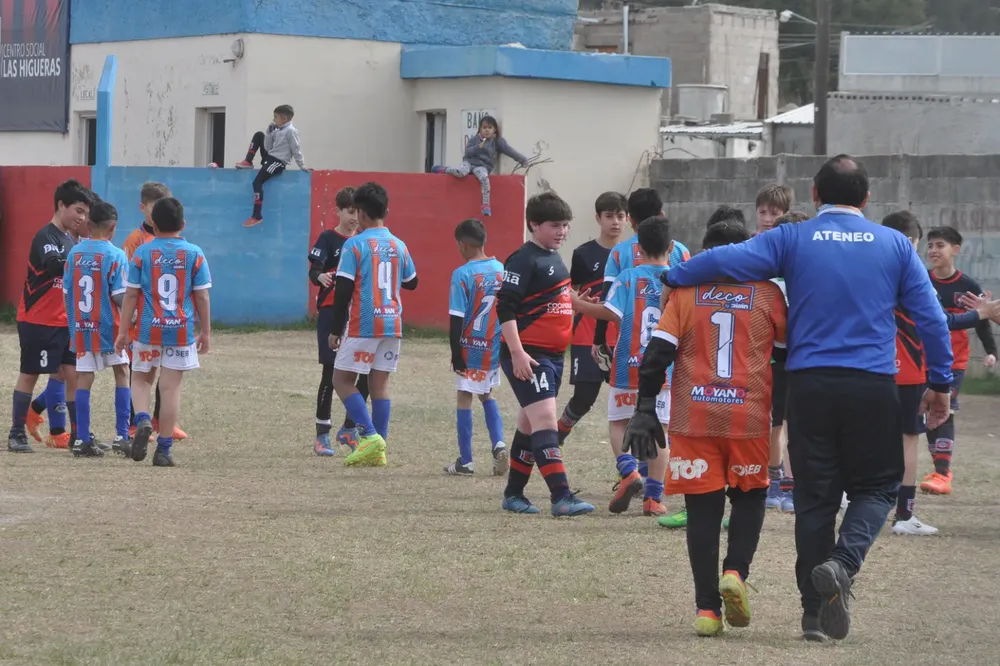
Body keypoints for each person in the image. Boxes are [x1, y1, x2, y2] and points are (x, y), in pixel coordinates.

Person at [654, 155, 953, 642]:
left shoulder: (794, 238)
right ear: (867, 198)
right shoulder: (897, 245)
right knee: (878, 489)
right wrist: (939, 384)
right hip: (873, 385)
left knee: (815, 499)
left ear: (814, 195)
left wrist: (676, 276)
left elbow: (728, 258)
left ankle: (814, 614)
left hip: (810, 386)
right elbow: (933, 320)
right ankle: (844, 562)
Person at [624, 219, 787, 636]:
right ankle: (734, 571)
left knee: (702, 512)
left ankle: (707, 611)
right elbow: (787, 360)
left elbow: (657, 352)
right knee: (751, 499)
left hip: (693, 418)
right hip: (748, 417)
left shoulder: (685, 293)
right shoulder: (769, 294)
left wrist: (645, 407)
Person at [881, 212, 1000, 535]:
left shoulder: (868, 270)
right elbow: (938, 322)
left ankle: (862, 500)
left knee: (871, 437)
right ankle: (903, 515)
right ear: (909, 242)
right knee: (907, 438)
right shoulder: (912, 273)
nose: (928, 252)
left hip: (869, 369)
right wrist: (981, 313)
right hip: (905, 370)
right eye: (923, 244)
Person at [498, 192, 594, 517]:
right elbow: (505, 308)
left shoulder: (553, 257)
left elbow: (554, 298)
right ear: (534, 225)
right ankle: (561, 497)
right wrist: (517, 353)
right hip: (530, 354)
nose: (562, 231)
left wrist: (577, 301)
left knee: (529, 424)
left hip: (552, 355)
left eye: (566, 225)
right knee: (544, 421)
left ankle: (513, 494)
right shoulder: (524, 259)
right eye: (555, 225)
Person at [574, 217, 674, 517]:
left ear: (638, 248)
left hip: (628, 365)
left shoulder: (629, 277)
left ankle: (628, 470)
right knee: (662, 431)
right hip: (663, 370)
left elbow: (610, 312)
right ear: (671, 247)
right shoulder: (678, 279)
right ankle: (654, 498)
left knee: (619, 422)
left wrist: (577, 304)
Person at [115, 197, 212, 467]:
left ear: (153, 223)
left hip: (148, 330)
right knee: (170, 388)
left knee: (142, 380)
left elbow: (131, 295)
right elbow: (202, 297)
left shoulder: (142, 253)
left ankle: (143, 418)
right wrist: (206, 332)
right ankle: (164, 450)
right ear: (183, 224)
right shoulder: (195, 253)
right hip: (180, 331)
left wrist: (123, 331)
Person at [327, 182, 418, 468]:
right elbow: (412, 282)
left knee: (341, 380)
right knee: (379, 385)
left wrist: (334, 329)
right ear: (386, 211)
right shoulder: (399, 245)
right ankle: (380, 448)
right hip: (393, 322)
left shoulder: (355, 244)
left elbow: (342, 291)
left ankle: (369, 437)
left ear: (362, 213)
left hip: (364, 322)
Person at [8, 179, 95, 453]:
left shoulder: (73, 240)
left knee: (74, 376)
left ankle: (79, 437)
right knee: (30, 374)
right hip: (39, 321)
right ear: (61, 205)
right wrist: (88, 258)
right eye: (78, 210)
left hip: (64, 321)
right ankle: (16, 434)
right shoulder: (46, 236)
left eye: (85, 214)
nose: (81, 218)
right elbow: (55, 266)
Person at [922, 226, 998, 495]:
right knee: (926, 413)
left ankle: (942, 473)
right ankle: (937, 469)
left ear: (955, 249)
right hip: (921, 359)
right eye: (930, 245)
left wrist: (991, 352)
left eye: (939, 245)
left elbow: (982, 320)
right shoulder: (920, 281)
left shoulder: (967, 287)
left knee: (943, 409)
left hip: (953, 361)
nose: (933, 250)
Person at [118, 182, 189, 441]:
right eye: (153, 207)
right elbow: (127, 285)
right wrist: (131, 319)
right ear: (142, 208)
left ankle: (161, 421)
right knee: (140, 372)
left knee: (167, 372)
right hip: (144, 321)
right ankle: (135, 423)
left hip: (169, 319)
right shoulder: (135, 242)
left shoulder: (178, 243)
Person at [63, 201, 132, 458]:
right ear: (113, 227)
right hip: (110, 327)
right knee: (122, 372)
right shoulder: (116, 255)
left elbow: (67, 292)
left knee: (84, 378)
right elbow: (120, 297)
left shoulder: (75, 253)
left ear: (89, 225)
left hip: (82, 326)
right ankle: (122, 436)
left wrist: (75, 320)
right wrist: (133, 317)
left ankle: (82, 439)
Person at [557, 191, 626, 444]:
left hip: (622, 338)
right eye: (609, 216)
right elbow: (572, 294)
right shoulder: (583, 253)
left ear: (627, 218)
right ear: (598, 218)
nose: (615, 222)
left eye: (620, 216)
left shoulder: (632, 254)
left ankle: (630, 462)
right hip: (587, 336)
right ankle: (556, 437)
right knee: (584, 398)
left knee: (629, 401)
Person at [308, 186, 369, 456]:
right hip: (333, 312)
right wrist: (319, 276)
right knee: (330, 373)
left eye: (358, 212)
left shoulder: (365, 241)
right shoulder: (329, 238)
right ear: (339, 211)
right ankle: (322, 434)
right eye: (350, 211)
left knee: (363, 374)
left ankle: (349, 427)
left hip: (359, 314)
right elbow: (315, 270)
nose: (354, 217)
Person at [445, 218, 508, 475]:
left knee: (464, 397)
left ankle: (466, 461)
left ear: (462, 245)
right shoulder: (500, 269)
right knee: (487, 394)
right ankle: (500, 444)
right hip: (492, 347)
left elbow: (456, 318)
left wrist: (456, 355)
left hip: (469, 348)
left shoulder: (462, 274)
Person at [432, 115, 528, 217]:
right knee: (461, 172)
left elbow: (509, 151)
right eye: (484, 128)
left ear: (495, 129)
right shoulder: (475, 139)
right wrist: (478, 147)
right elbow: (468, 152)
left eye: (490, 128)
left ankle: (486, 205)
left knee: (484, 178)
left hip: (482, 166)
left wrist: (522, 159)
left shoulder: (498, 141)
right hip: (469, 162)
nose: (487, 130)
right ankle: (444, 169)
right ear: (480, 129)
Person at [236, 104, 309, 228]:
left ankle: (257, 215)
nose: (274, 120)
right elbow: (268, 147)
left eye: (276, 117)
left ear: (284, 119)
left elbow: (296, 149)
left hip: (278, 161)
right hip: (271, 156)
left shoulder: (291, 131)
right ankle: (248, 161)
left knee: (257, 183)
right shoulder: (278, 130)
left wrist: (302, 165)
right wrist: (269, 134)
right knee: (259, 135)